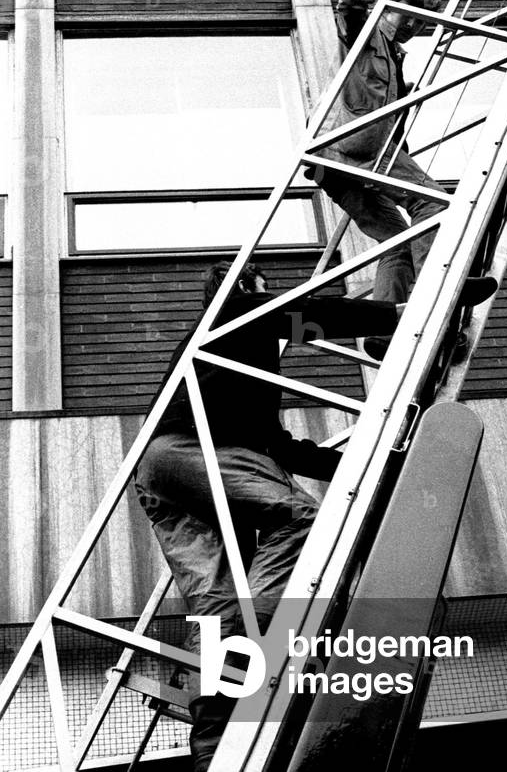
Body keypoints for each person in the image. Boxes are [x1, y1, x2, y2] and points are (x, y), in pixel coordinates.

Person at [134, 261, 404, 772]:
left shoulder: (232, 365)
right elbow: (301, 317)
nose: (272, 295)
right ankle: (262, 648)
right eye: (266, 289)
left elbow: (282, 448)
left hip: (163, 469)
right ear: (247, 288)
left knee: (216, 603)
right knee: (301, 519)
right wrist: (392, 315)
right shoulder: (236, 311)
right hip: (199, 450)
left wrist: (367, 460)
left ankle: (212, 745)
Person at [311, 0, 497, 358]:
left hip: (338, 163)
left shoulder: (393, 57)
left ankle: (384, 331)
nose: (416, 28)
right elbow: (353, 0)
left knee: (397, 241)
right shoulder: (366, 33)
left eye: (420, 23)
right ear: (398, 9)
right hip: (357, 146)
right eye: (414, 19)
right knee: (433, 203)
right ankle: (443, 283)